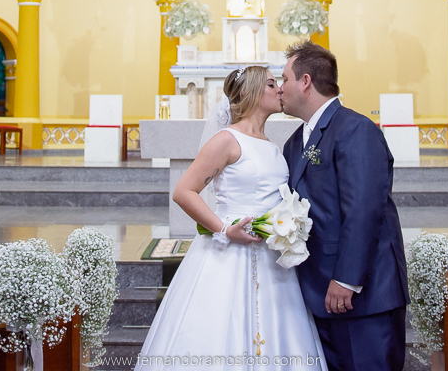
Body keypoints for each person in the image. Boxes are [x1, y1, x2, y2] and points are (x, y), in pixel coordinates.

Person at [134, 65, 325, 368]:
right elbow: (184, 191)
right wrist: (224, 229)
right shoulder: (227, 140)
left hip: (271, 255)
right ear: (250, 92)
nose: (280, 89)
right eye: (271, 84)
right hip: (229, 254)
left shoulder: (272, 146)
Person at [280, 42, 409, 371]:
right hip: (319, 292)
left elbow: (364, 209)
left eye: (284, 79)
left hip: (363, 296)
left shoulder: (355, 129)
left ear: (305, 82)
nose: (280, 88)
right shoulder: (294, 143)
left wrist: (346, 280)